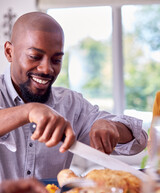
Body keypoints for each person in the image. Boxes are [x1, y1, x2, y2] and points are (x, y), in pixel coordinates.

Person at [0, 11, 148, 181]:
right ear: (9, 52)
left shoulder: (71, 104)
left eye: (56, 60)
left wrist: (113, 127)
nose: (46, 69)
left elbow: (139, 141)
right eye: (35, 57)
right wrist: (29, 111)